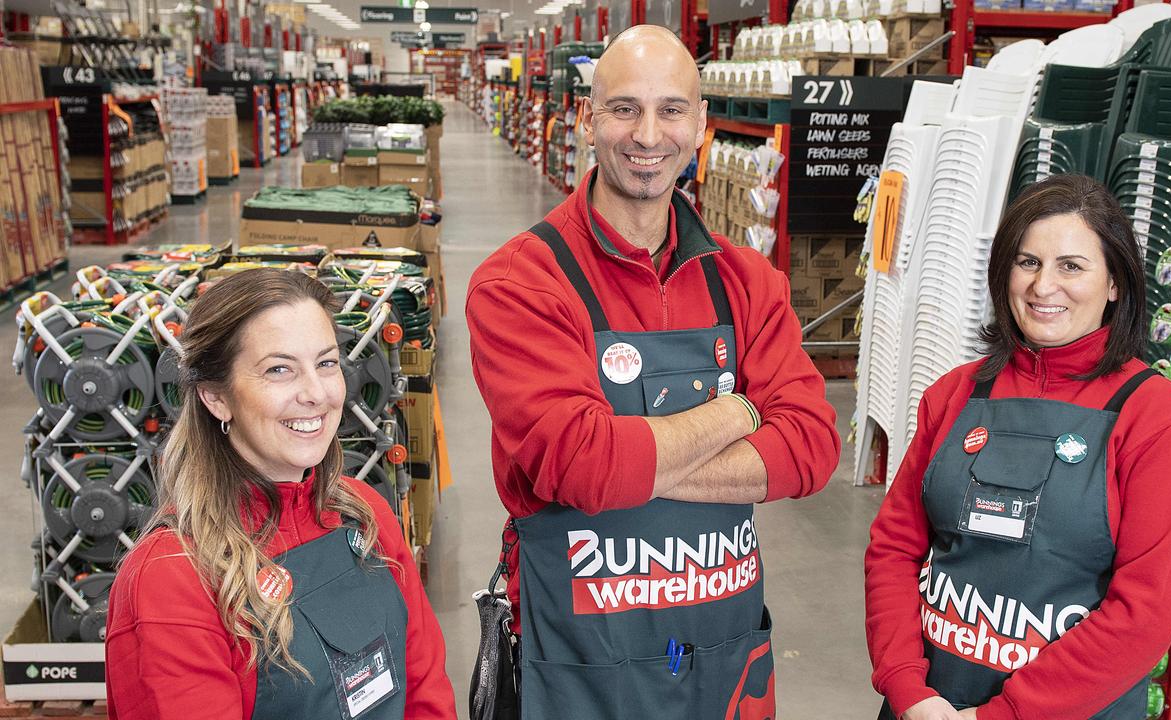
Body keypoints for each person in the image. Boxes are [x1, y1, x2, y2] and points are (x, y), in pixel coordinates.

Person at [466, 25, 840, 719]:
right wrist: (742, 412)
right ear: (586, 120)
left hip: (723, 655)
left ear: (699, 125)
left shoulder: (747, 280)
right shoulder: (521, 282)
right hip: (581, 660)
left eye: (671, 110)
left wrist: (623, 461)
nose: (648, 134)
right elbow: (579, 466)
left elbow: (814, 448)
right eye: (623, 109)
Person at [864, 174, 1171, 719]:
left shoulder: (1157, 421)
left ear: (1116, 282)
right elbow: (892, 548)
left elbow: (1143, 614)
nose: (1042, 286)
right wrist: (909, 689)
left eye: (1071, 266)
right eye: (1027, 262)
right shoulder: (956, 394)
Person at [105, 269, 456, 720]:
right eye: (279, 369)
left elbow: (426, 690)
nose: (315, 393)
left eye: (326, 363)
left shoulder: (365, 513)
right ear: (216, 397)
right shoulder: (172, 579)